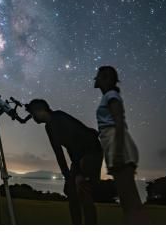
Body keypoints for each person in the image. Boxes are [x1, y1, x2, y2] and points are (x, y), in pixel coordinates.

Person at [25, 99, 102, 224]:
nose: (33, 117)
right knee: (72, 193)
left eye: (33, 114)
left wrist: (78, 172)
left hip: (90, 152)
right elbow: (59, 154)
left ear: (40, 110)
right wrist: (67, 176)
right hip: (78, 158)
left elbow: (79, 140)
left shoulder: (59, 117)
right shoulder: (49, 127)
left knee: (83, 190)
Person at [93, 65, 148, 224]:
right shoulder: (109, 96)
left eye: (98, 76)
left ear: (107, 78)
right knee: (127, 202)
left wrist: (117, 153)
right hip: (114, 143)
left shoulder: (111, 95)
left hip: (117, 144)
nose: (95, 79)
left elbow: (118, 122)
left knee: (130, 203)